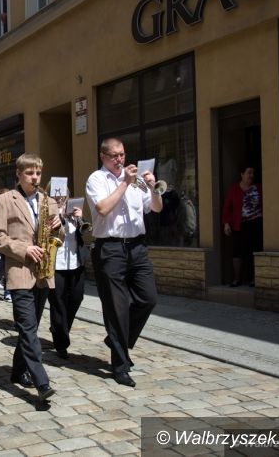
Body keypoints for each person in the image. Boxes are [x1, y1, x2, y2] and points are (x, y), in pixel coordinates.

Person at [85, 137, 162, 388]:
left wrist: (153, 188)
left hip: (137, 246)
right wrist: (124, 184)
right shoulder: (97, 179)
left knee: (148, 298)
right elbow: (102, 208)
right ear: (103, 157)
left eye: (122, 154)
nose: (120, 159)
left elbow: (156, 208)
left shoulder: (136, 180)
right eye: (114, 155)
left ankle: (118, 339)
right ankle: (120, 365)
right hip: (110, 248)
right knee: (117, 308)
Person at [0, 153, 63, 403]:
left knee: (30, 327)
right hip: (19, 272)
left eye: (38, 173)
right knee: (28, 328)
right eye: (30, 173)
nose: (35, 177)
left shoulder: (48, 201)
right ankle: (41, 381)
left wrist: (59, 226)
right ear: (18, 174)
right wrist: (24, 249)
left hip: (43, 273)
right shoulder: (5, 200)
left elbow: (58, 237)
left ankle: (18, 370)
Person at [48, 194, 88, 360]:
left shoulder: (73, 214)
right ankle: (61, 343)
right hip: (56, 265)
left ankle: (60, 328)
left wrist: (80, 218)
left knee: (76, 298)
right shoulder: (48, 213)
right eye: (56, 196)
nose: (60, 199)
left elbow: (85, 232)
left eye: (63, 196)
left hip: (75, 263)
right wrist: (57, 217)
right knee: (58, 303)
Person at [222, 165, 263, 287]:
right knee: (237, 251)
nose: (251, 175)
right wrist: (226, 223)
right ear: (242, 174)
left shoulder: (258, 188)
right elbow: (227, 207)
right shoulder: (234, 189)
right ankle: (237, 279)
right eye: (249, 172)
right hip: (239, 225)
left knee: (254, 250)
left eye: (253, 173)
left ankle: (254, 278)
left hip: (255, 224)